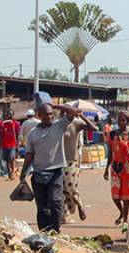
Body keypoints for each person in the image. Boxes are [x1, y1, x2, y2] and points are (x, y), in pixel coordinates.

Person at [19, 94, 84, 233]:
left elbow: (72, 111)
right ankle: (44, 232)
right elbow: (29, 155)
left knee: (55, 202)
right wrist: (22, 173)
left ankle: (56, 229)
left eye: (51, 114)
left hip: (56, 173)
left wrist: (55, 106)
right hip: (38, 174)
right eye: (46, 114)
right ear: (39, 115)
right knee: (42, 207)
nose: (49, 117)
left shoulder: (59, 126)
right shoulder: (33, 134)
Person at [107, 114, 129, 225]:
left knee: (126, 196)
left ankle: (126, 219)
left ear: (127, 122)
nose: (120, 122)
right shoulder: (112, 134)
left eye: (122, 120)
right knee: (115, 195)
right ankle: (121, 212)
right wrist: (106, 168)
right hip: (116, 166)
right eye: (118, 120)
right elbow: (110, 152)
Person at [61, 111, 97, 224]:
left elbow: (93, 128)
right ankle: (63, 215)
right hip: (58, 161)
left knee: (70, 186)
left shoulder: (76, 124)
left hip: (71, 160)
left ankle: (79, 203)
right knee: (61, 190)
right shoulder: (58, 124)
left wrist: (82, 116)